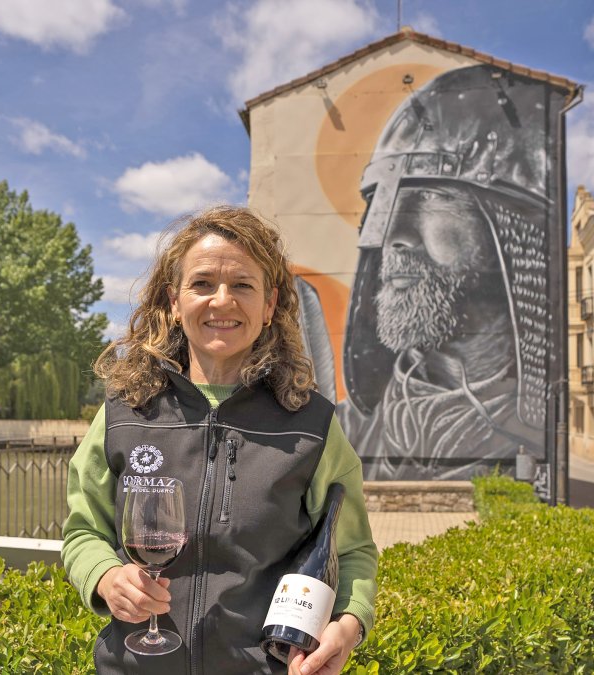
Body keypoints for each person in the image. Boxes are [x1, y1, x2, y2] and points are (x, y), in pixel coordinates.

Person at [62, 206, 378, 675]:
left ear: (270, 305)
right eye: (203, 283)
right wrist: (105, 577)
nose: (222, 300)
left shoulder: (311, 425)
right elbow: (83, 531)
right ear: (174, 302)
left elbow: (351, 551)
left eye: (242, 285)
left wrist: (349, 625)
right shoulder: (124, 414)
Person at [337, 64, 559, 481]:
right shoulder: (344, 430)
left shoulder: (532, 432)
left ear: (506, 231)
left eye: (432, 196)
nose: (392, 236)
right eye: (383, 203)